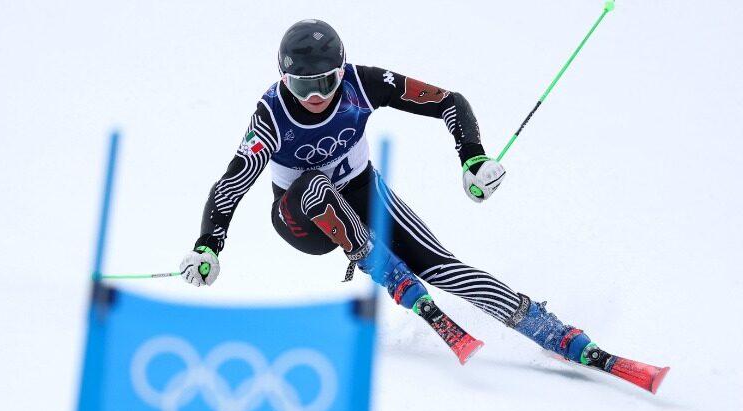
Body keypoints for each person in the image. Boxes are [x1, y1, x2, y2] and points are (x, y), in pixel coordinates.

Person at [180, 19, 602, 367]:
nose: (315, 96)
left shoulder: (361, 84)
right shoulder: (271, 115)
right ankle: (392, 275)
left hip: (361, 190)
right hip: (300, 219)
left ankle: (549, 330)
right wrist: (207, 245)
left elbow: (449, 101)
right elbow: (232, 183)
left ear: (342, 71)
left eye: (326, 82)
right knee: (314, 184)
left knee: (442, 266)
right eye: (302, 86)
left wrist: (472, 157)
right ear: (283, 79)